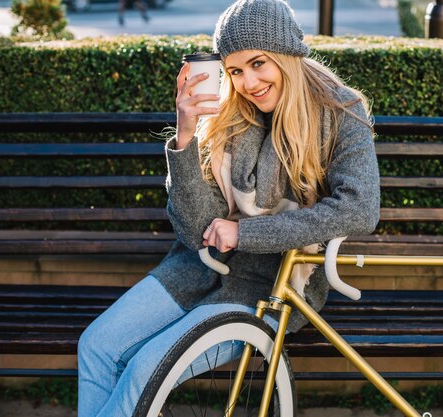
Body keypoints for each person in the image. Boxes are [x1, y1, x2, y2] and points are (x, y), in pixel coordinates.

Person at [77, 0, 380, 415]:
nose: (248, 82)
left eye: (258, 64)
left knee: (146, 368)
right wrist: (184, 139)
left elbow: (360, 209)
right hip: (196, 268)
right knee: (96, 347)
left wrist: (246, 233)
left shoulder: (339, 111)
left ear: (286, 54)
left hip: (271, 286)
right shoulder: (229, 115)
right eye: (235, 70)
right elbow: (195, 228)